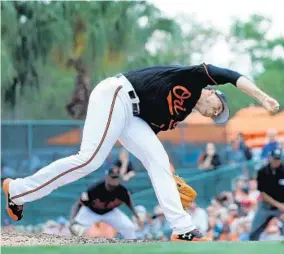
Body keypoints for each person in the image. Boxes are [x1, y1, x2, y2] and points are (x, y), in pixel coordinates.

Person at [3, 63, 279, 242]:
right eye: (217, 107)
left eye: (216, 115)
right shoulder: (193, 78)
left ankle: (183, 229)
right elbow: (233, 77)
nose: (213, 113)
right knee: (89, 159)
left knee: (158, 160)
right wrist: (261, 96)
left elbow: (148, 145)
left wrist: (171, 176)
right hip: (117, 94)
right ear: (210, 92)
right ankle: (18, 190)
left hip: (132, 116)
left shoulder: (176, 117)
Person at [69, 166, 140, 239]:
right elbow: (78, 205)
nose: (114, 180)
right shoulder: (94, 189)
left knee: (129, 227)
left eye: (117, 177)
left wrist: (137, 216)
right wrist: (72, 220)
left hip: (110, 212)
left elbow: (129, 203)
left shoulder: (123, 191)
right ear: (106, 177)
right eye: (112, 177)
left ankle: (132, 249)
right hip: (90, 212)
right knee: (76, 228)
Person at [249, 148, 284, 240]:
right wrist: (279, 205)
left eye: (278, 159)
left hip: (282, 206)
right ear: (270, 158)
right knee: (253, 233)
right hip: (266, 207)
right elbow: (263, 194)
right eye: (274, 159)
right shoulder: (262, 172)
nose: (276, 161)